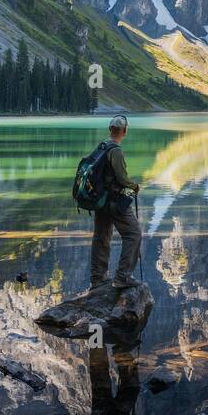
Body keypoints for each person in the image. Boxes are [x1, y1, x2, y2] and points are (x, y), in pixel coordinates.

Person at [90, 115, 142, 288]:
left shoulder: (102, 146)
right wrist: (134, 186)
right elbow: (122, 179)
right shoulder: (116, 151)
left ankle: (97, 278)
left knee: (101, 237)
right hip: (113, 200)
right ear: (124, 131)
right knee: (133, 234)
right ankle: (123, 277)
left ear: (110, 129)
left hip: (100, 201)